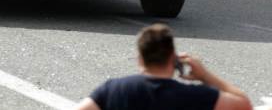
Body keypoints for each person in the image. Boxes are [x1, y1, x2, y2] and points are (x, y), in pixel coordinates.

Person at [76, 24, 252, 110]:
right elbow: (244, 105)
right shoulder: (197, 96)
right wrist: (206, 76)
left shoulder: (113, 90)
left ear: (140, 59)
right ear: (173, 59)